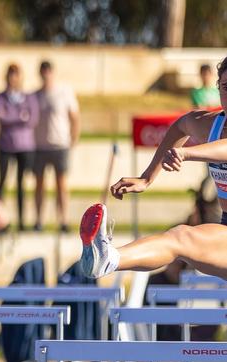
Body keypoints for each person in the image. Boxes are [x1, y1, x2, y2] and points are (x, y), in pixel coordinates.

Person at [79, 55, 227, 284]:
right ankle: (109, 258)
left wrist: (187, 153)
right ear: (218, 89)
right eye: (226, 87)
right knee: (179, 237)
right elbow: (181, 126)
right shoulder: (211, 124)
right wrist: (147, 178)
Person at [33, 60, 80, 232]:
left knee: (61, 184)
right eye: (43, 71)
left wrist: (74, 138)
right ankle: (38, 220)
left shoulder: (64, 92)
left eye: (48, 71)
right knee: (39, 184)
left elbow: (74, 116)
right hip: (40, 146)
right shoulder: (35, 95)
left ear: (52, 72)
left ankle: (63, 220)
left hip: (60, 144)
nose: (46, 74)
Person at [0, 63, 38, 231]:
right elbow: (0, 117)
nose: (13, 78)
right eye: (10, 75)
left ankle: (21, 222)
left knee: (21, 184)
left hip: (24, 147)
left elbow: (32, 119)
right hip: (5, 146)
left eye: (16, 75)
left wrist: (10, 117)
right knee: (2, 183)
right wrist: (20, 117)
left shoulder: (29, 98)